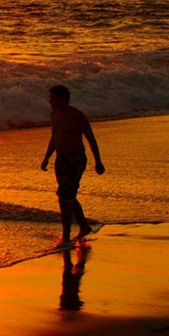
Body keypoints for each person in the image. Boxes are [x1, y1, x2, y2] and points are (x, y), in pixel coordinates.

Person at [40, 84, 104, 246]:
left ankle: (66, 236)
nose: (50, 101)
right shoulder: (54, 115)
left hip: (76, 160)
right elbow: (54, 138)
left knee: (64, 197)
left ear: (62, 98)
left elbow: (91, 139)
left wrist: (98, 161)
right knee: (68, 196)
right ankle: (83, 226)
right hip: (61, 160)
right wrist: (46, 158)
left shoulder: (77, 116)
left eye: (53, 98)